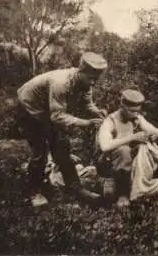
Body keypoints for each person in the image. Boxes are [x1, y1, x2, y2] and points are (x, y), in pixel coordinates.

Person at [16, 52, 108, 207]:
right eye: (90, 78)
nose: (93, 83)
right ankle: (35, 191)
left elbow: (87, 104)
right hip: (29, 108)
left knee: (62, 148)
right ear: (81, 71)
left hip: (48, 110)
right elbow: (58, 117)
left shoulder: (85, 83)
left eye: (96, 79)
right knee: (40, 151)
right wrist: (86, 123)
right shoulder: (61, 83)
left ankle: (76, 189)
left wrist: (97, 112)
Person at [97, 89, 158, 208]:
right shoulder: (110, 121)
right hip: (110, 162)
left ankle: (152, 178)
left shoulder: (135, 117)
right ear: (122, 106)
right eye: (131, 111)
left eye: (137, 111)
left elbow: (157, 131)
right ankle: (122, 192)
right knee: (124, 151)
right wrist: (132, 137)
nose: (135, 114)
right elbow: (104, 146)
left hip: (129, 158)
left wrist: (154, 135)